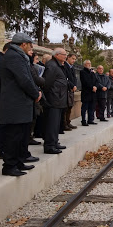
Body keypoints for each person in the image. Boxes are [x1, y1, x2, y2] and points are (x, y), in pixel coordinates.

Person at [0, 33, 41, 176]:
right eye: (30, 45)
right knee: (13, 136)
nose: (31, 48)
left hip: (21, 103)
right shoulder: (14, 57)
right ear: (23, 44)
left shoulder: (18, 57)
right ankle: (10, 166)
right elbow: (24, 80)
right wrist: (36, 93)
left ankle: (18, 162)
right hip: (14, 104)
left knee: (21, 135)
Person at [42, 48, 68, 154]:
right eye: (64, 54)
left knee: (56, 123)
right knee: (52, 123)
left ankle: (54, 142)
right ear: (57, 55)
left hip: (58, 99)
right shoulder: (52, 66)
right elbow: (46, 83)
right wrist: (51, 96)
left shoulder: (58, 65)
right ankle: (49, 145)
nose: (66, 56)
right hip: (54, 99)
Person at [80, 60, 98, 126]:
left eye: (90, 63)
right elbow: (85, 82)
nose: (89, 64)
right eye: (88, 63)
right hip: (86, 92)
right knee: (84, 108)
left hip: (92, 93)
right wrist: (92, 87)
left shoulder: (92, 72)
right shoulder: (82, 72)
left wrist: (95, 86)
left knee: (91, 107)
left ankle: (90, 120)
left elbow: (96, 80)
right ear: (84, 64)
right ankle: (83, 120)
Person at [63, 53, 78, 130]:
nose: (74, 60)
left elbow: (74, 78)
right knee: (66, 107)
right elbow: (66, 78)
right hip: (67, 89)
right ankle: (64, 124)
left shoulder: (72, 67)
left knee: (70, 106)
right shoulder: (65, 66)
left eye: (75, 59)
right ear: (68, 58)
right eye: (72, 58)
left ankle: (68, 122)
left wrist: (74, 86)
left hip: (72, 90)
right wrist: (72, 86)